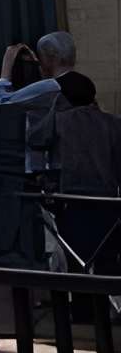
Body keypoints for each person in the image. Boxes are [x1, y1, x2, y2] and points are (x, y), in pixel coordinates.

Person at [0, 32, 75, 266]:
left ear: (50, 57)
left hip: (46, 169)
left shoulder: (50, 87)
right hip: (72, 166)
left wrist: (7, 65)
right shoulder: (81, 85)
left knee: (46, 237)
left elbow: (3, 101)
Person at [48, 71, 120, 272]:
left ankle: (82, 303)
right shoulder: (114, 123)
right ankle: (107, 302)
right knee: (107, 261)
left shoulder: (62, 121)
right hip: (107, 202)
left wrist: (52, 109)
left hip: (74, 201)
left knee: (77, 264)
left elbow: (37, 138)